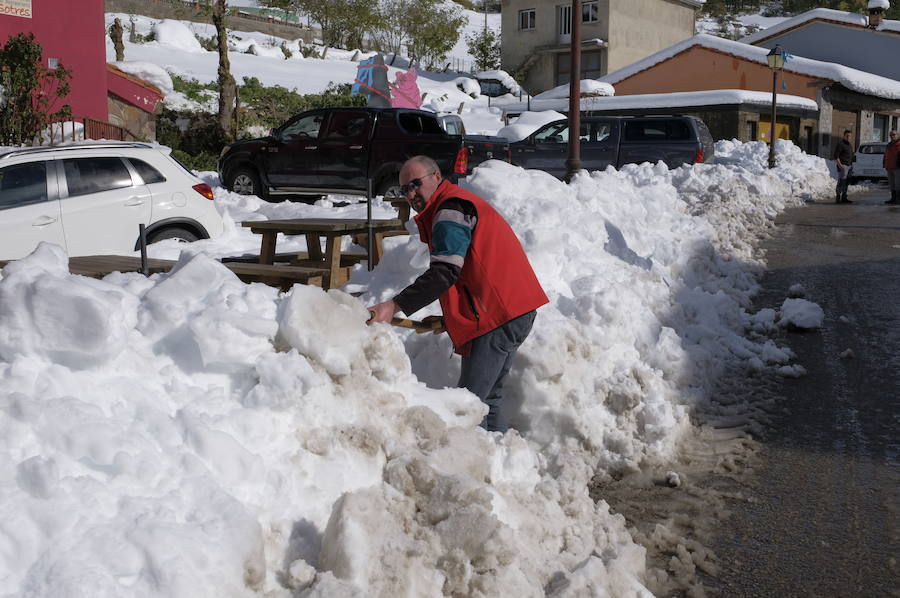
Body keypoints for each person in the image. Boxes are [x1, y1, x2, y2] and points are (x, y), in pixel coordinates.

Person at [367, 156, 548, 432]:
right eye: (405, 189)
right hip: (510, 309)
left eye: (416, 184)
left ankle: (479, 466)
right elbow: (467, 273)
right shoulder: (454, 203)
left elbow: (445, 273)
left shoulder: (450, 210)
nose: (411, 194)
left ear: (436, 177)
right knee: (489, 400)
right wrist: (448, 319)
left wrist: (394, 305)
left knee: (470, 405)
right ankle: (500, 465)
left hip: (498, 316)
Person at [833, 129, 854, 204]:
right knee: (841, 182)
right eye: (847, 136)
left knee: (846, 182)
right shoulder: (840, 144)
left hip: (849, 166)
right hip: (843, 166)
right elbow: (836, 156)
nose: (848, 137)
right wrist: (840, 166)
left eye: (850, 136)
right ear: (844, 136)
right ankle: (838, 198)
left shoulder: (849, 145)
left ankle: (844, 197)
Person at [883, 130, 900, 205]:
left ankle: (898, 200)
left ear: (898, 135)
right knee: (892, 184)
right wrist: (884, 162)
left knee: (898, 185)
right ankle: (893, 198)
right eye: (891, 135)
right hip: (889, 167)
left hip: (897, 167)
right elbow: (886, 154)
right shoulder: (889, 145)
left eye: (894, 135)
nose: (892, 136)